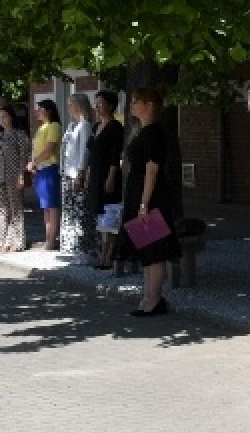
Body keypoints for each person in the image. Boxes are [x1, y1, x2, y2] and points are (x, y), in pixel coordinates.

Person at [115, 86, 182, 315]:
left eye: (136, 101)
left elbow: (152, 170)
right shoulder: (142, 131)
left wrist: (144, 203)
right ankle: (147, 297)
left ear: (149, 106)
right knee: (146, 248)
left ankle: (155, 299)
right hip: (137, 192)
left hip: (150, 196)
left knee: (155, 250)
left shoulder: (155, 133)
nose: (132, 105)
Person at [84, 90, 125, 268]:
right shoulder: (95, 127)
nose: (97, 107)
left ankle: (109, 256)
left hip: (108, 174)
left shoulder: (116, 127)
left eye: (100, 103)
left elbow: (115, 156)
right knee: (99, 214)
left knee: (109, 214)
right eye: (96, 103)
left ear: (110, 105)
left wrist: (111, 177)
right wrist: (87, 174)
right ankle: (102, 253)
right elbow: (92, 154)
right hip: (95, 174)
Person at [0, 101, 31, 251]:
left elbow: (25, 156)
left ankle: (18, 241)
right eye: (0, 117)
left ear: (11, 117)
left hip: (14, 176)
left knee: (15, 209)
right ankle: (5, 240)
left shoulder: (19, 135)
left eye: (5, 116)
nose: (2, 120)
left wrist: (22, 175)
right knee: (4, 209)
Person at [59, 94, 94, 256]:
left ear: (78, 106)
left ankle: (80, 247)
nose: (68, 108)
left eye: (70, 105)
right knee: (69, 211)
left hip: (75, 174)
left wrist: (80, 173)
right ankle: (69, 245)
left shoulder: (85, 126)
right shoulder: (72, 125)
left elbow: (83, 152)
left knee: (78, 212)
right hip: (67, 172)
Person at [28, 99, 62, 252]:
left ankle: (52, 239)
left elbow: (49, 150)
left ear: (49, 110)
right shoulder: (41, 128)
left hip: (50, 168)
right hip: (41, 170)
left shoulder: (53, 126)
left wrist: (34, 162)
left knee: (52, 206)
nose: (37, 112)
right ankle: (47, 237)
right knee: (45, 206)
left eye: (40, 109)